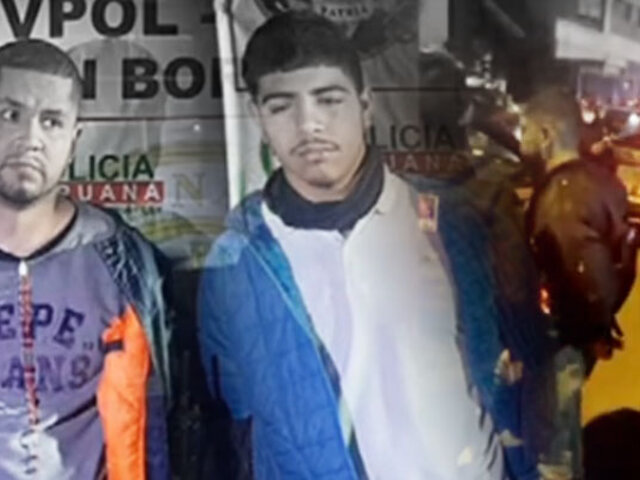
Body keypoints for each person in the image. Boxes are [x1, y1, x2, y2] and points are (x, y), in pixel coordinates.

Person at [199, 10, 503, 479]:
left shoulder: (450, 227)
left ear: (365, 106)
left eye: (328, 100)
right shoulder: (235, 266)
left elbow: (509, 383)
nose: (309, 125)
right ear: (258, 117)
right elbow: (233, 427)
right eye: (281, 106)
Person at [0, 39, 172, 479]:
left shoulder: (123, 263)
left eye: (51, 121)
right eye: (10, 115)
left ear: (74, 141)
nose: (31, 140)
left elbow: (160, 425)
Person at [407, 49, 556, 480]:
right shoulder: (486, 196)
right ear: (462, 110)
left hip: (420, 387)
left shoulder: (391, 193)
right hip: (487, 379)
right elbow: (515, 296)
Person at [523, 85, 638, 479]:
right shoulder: (601, 181)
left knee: (556, 438)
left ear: (547, 133)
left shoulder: (561, 198)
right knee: (566, 423)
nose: (521, 138)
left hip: (563, 337)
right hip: (583, 333)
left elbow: (583, 275)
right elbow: (620, 259)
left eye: (526, 128)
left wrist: (587, 330)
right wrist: (604, 322)